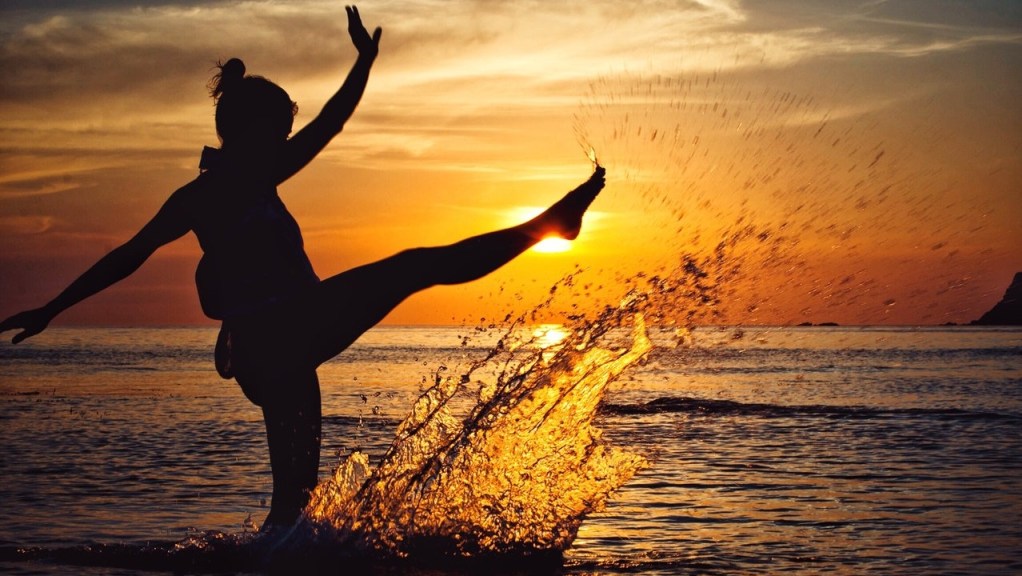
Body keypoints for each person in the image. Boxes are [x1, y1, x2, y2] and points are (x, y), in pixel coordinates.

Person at [0, 5, 606, 529]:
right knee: (412, 266)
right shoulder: (231, 184)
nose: (287, 141)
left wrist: (54, 309)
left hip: (279, 345)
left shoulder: (230, 186)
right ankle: (549, 227)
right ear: (248, 132)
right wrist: (364, 64)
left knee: (297, 497)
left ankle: (280, 553)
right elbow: (128, 257)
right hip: (278, 335)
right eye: (279, 132)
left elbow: (130, 254)